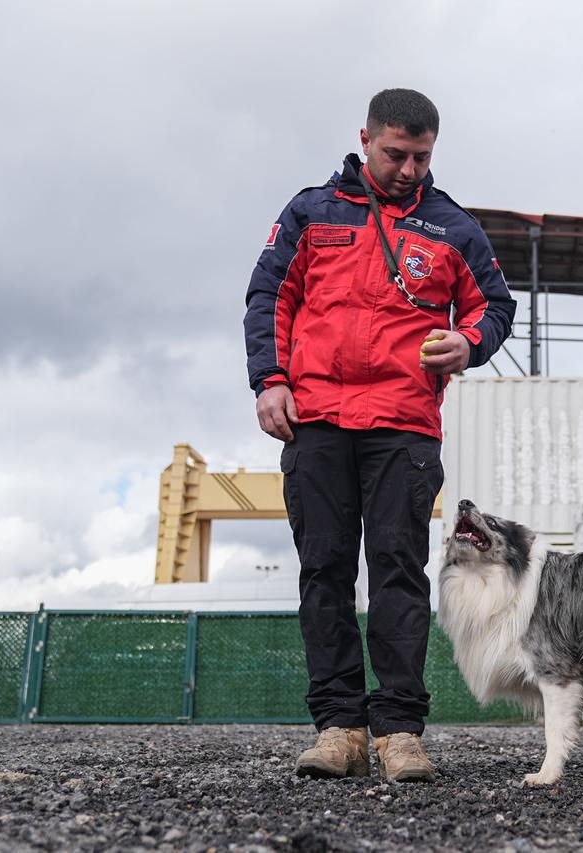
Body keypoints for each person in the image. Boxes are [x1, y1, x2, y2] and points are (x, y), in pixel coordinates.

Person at [243, 89, 516, 782]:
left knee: (400, 571)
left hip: (404, 424)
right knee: (325, 570)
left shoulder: (453, 226)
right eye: (396, 153)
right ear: (365, 138)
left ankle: (400, 731)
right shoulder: (311, 210)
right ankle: (338, 728)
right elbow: (270, 293)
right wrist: (269, 378)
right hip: (317, 419)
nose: (408, 168)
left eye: (422, 156)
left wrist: (470, 340)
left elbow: (494, 304)